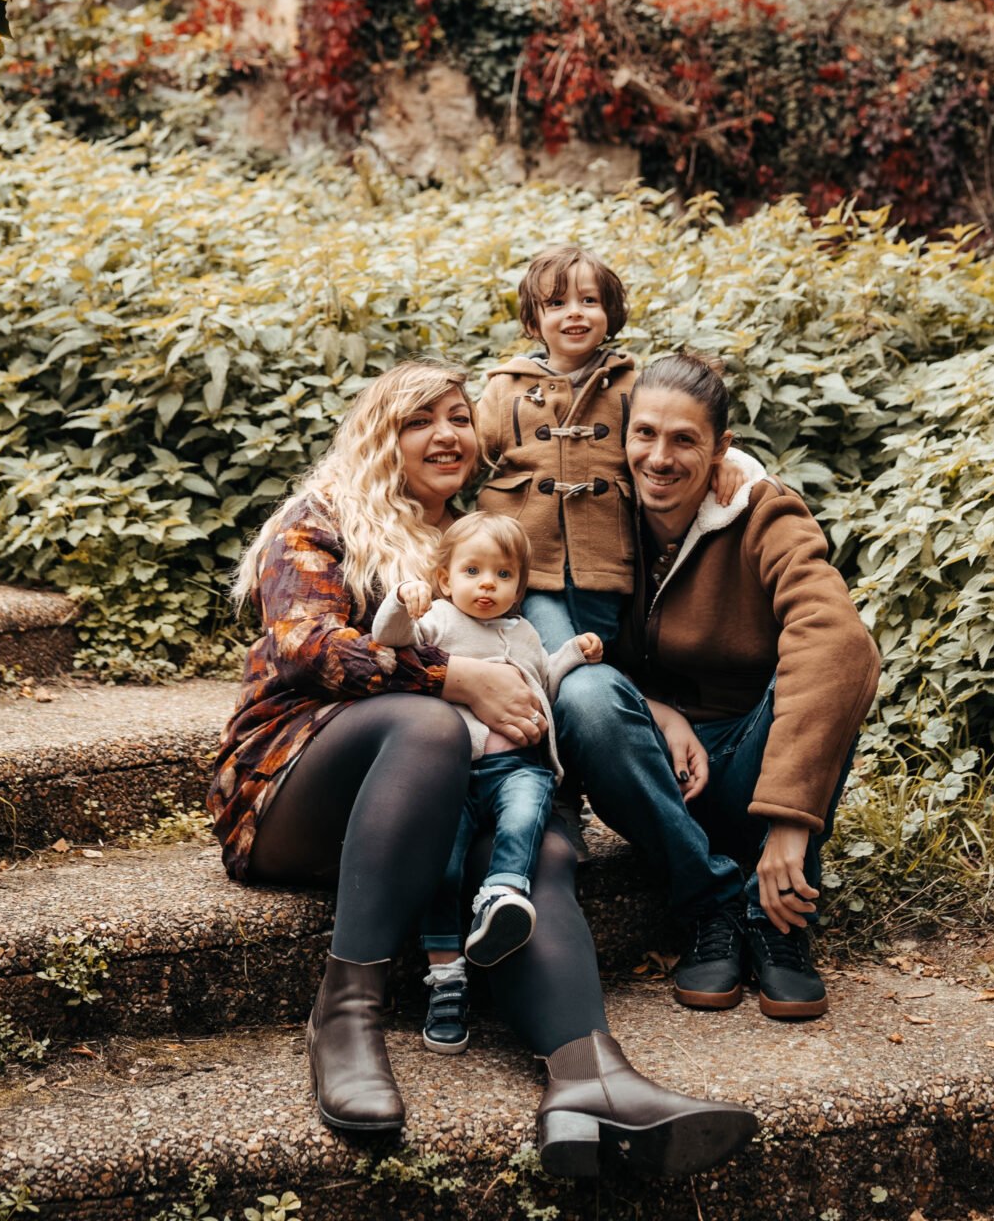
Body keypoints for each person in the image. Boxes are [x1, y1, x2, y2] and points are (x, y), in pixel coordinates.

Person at [208, 358, 757, 1179]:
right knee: (431, 728)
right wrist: (452, 678)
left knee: (541, 841)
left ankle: (588, 1076)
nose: (446, 435)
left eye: (460, 418)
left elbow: (537, 664)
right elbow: (305, 648)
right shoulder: (319, 521)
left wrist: (617, 717)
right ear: (378, 436)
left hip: (450, 809)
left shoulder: (478, 543)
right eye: (419, 420)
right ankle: (343, 1016)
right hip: (296, 790)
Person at [548, 350, 882, 1020]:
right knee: (584, 694)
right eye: (644, 434)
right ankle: (710, 904)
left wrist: (790, 819)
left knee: (829, 664)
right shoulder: (593, 515)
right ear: (622, 436)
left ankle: (775, 921)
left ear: (721, 447)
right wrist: (658, 711)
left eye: (684, 440)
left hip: (754, 767)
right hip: (658, 776)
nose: (659, 457)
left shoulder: (763, 513)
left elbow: (837, 642)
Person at [374, 510, 600, 1053]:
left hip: (516, 767)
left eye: (502, 575)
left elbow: (540, 678)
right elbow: (390, 639)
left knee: (524, 818)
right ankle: (446, 981)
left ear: (518, 587)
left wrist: (572, 653)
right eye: (472, 571)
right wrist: (403, 599)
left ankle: (502, 894)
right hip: (453, 772)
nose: (487, 585)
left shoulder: (521, 632)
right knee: (443, 863)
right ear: (446, 578)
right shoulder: (442, 622)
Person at [477, 244, 639, 664]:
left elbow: (681, 439)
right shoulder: (505, 388)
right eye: (556, 303)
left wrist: (729, 464)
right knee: (559, 661)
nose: (575, 312)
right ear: (534, 320)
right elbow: (466, 453)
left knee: (600, 653)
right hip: (525, 565)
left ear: (610, 312)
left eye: (589, 300)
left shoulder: (635, 385)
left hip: (607, 564)